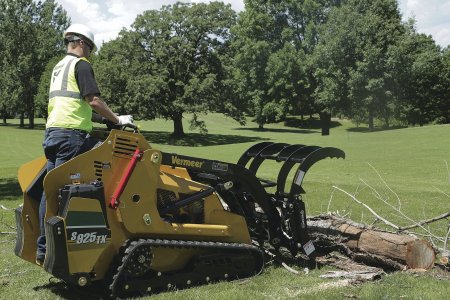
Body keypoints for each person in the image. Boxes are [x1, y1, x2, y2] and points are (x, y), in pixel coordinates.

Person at [36, 24, 134, 265]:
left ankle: (43, 247)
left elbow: (78, 107)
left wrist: (108, 118)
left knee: (51, 192)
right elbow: (93, 100)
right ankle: (70, 246)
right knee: (101, 171)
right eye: (89, 47)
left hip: (53, 135)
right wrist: (118, 120)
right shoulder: (82, 65)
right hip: (72, 136)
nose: (90, 52)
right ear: (81, 43)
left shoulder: (59, 67)